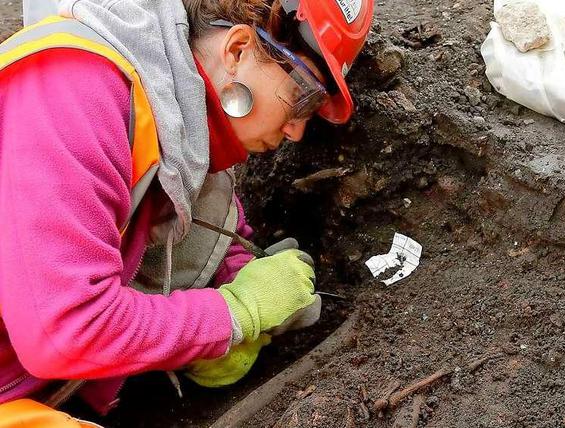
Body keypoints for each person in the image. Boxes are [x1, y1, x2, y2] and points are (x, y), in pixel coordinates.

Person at [0, 0, 373, 425]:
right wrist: (235, 313)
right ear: (237, 49)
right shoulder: (75, 90)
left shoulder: (173, 110)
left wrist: (241, 274)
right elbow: (65, 332)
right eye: (302, 98)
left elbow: (200, 206)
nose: (297, 129)